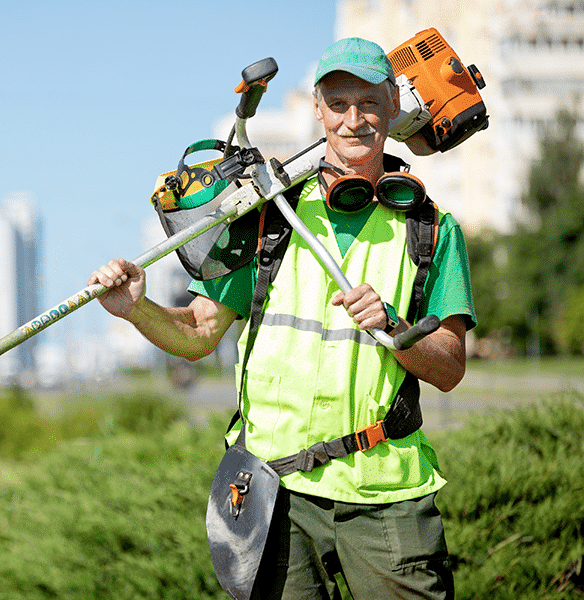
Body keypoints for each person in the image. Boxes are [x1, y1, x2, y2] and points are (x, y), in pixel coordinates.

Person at [89, 37, 475, 599]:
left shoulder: (435, 230)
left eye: (368, 102)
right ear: (316, 110)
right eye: (338, 103)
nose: (354, 119)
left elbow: (450, 368)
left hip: (385, 494)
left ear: (394, 106)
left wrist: (393, 327)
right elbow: (198, 334)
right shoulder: (268, 215)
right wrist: (136, 310)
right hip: (272, 493)